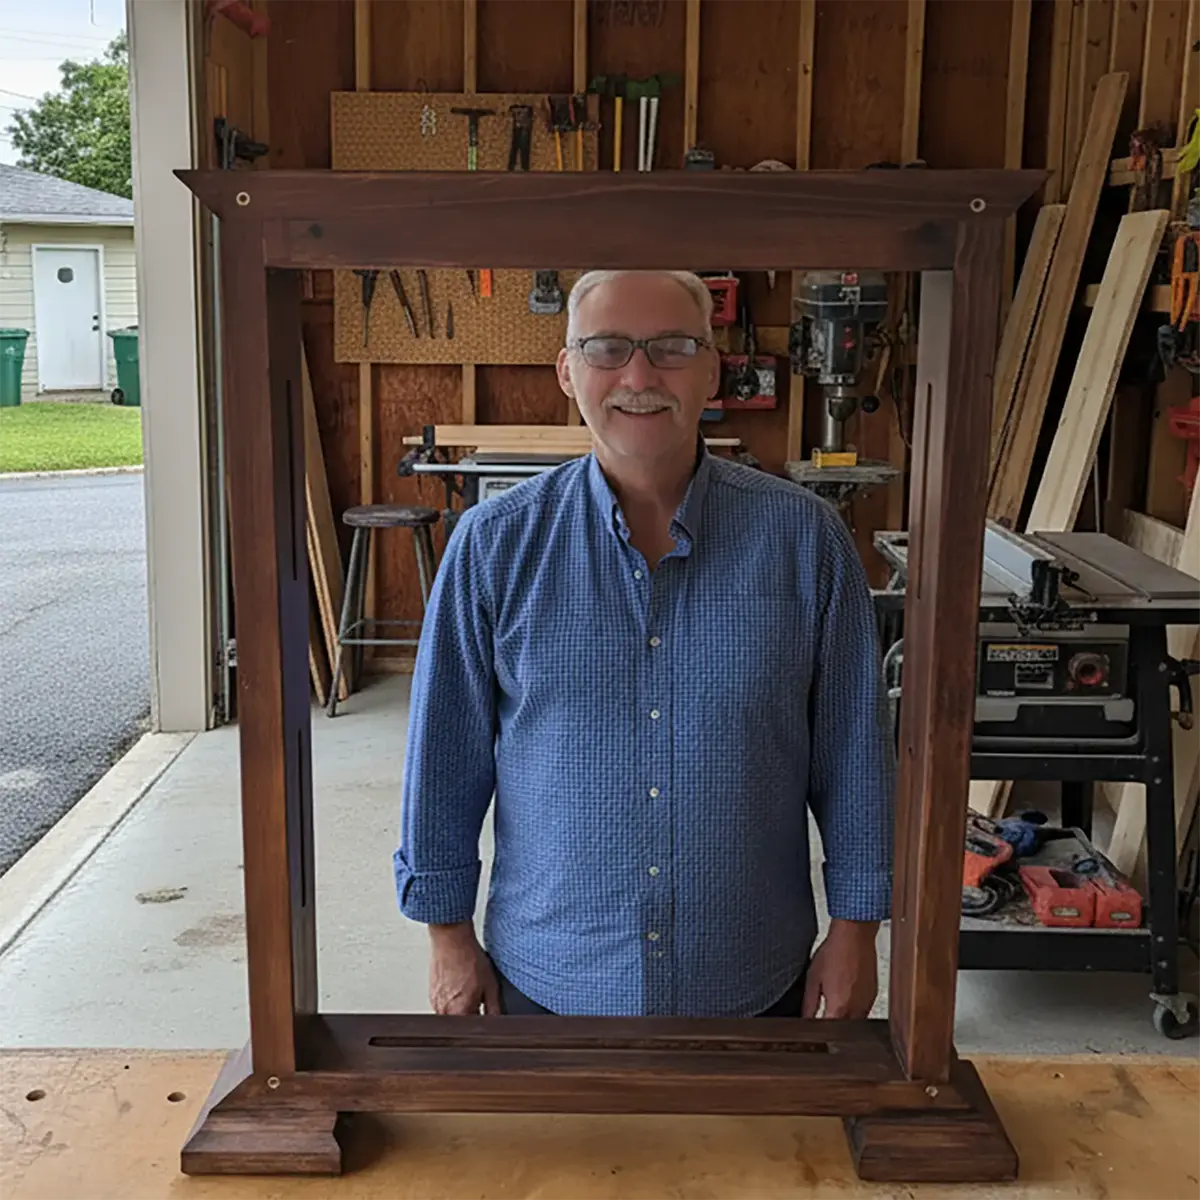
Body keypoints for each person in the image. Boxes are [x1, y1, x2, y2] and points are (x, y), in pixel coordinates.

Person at [393, 269, 895, 1019]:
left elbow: (853, 752)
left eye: (671, 347)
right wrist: (447, 937)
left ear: (713, 368)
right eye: (606, 349)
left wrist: (858, 928)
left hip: (755, 979)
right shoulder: (493, 547)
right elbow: (445, 756)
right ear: (567, 371)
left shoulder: (804, 541)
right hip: (547, 980)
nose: (638, 376)